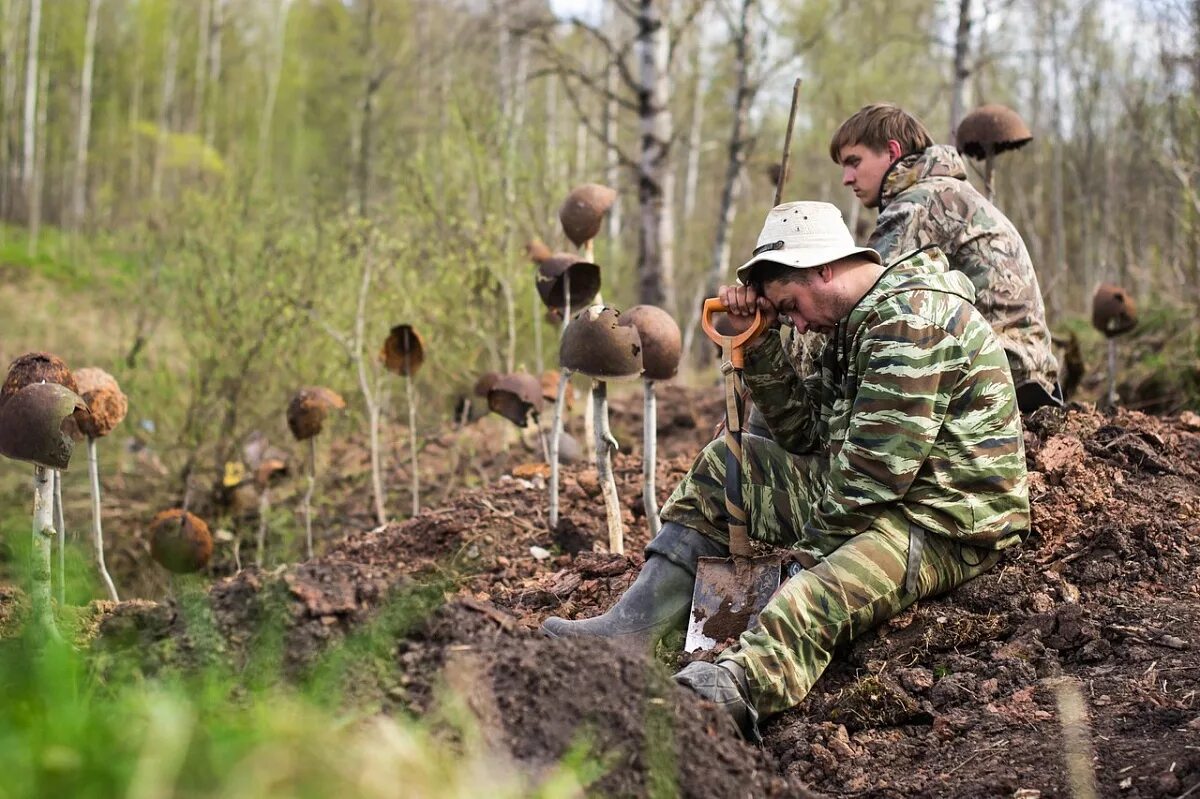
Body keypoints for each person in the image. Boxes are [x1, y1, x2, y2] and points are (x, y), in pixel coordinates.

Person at [542, 201, 1029, 739]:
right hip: (882, 492)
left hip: (945, 519)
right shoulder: (848, 322)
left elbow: (870, 482)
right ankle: (632, 630)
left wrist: (797, 567)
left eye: (790, 305)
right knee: (726, 468)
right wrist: (762, 339)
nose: (793, 319)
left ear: (822, 268)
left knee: (816, 593)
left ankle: (727, 691)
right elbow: (806, 438)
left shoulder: (911, 322)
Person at [831, 103, 1061, 412]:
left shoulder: (921, 201)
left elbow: (860, 296)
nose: (847, 178)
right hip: (1023, 366)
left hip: (1002, 370)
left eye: (854, 162)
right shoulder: (946, 191)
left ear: (892, 151)